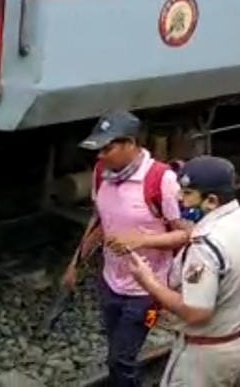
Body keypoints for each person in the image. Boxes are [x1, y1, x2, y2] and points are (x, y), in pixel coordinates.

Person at [128, 156, 240, 386]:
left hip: (210, 353)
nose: (179, 199)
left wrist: (149, 282)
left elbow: (197, 313)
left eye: (187, 193)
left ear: (212, 201)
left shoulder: (205, 246)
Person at [62, 111, 189, 387]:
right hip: (111, 282)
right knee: (116, 351)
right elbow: (99, 220)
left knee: (122, 359)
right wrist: (76, 263)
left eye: (107, 148)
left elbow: (186, 234)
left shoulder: (161, 179)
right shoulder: (101, 174)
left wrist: (141, 241)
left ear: (130, 144)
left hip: (148, 290)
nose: (100, 156)